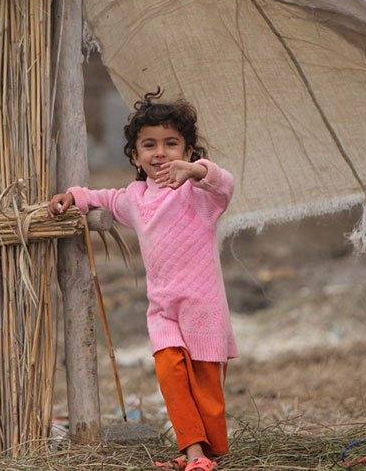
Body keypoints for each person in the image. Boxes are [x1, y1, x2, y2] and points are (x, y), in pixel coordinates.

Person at [49, 89, 238, 471]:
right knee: (170, 373)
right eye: (149, 144)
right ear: (135, 155)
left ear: (187, 151)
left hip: (202, 308)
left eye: (171, 144)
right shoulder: (136, 197)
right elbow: (105, 198)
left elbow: (226, 184)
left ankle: (212, 449)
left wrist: (197, 171)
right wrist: (73, 196)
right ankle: (194, 453)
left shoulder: (199, 195)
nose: (160, 152)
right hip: (163, 309)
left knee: (205, 388)